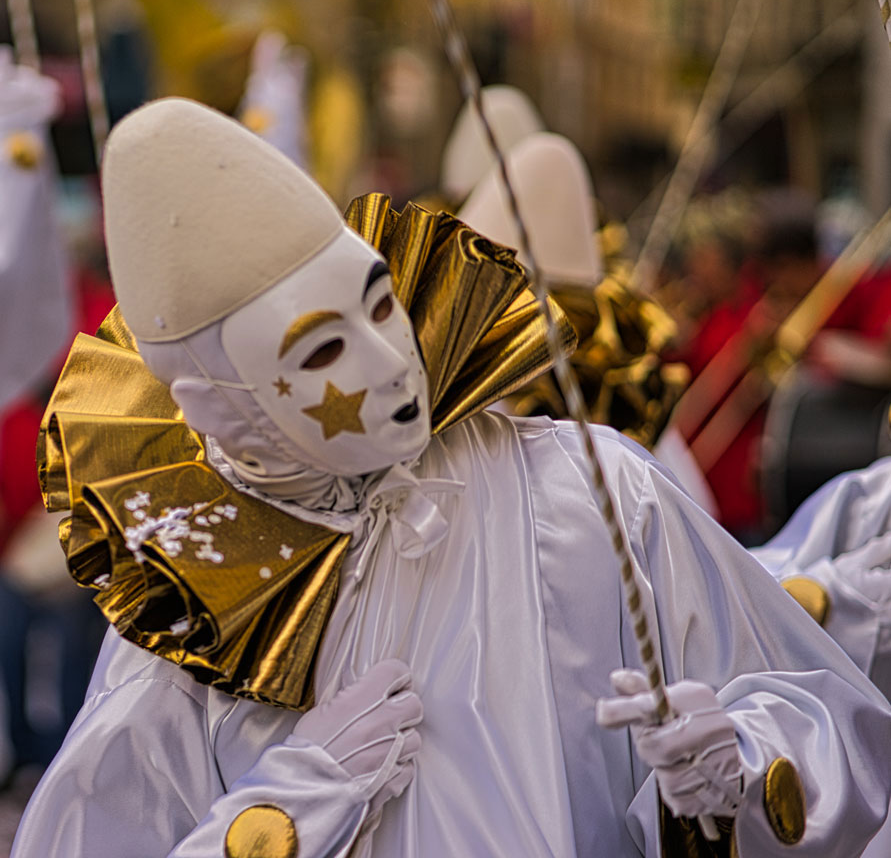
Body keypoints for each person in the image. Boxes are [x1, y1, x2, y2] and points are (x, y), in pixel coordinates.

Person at [13, 98, 891, 857]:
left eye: (380, 301)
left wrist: (731, 764)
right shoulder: (192, 628)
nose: (390, 361)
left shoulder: (589, 493)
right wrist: (279, 816)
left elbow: (817, 712)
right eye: (319, 348)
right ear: (213, 407)